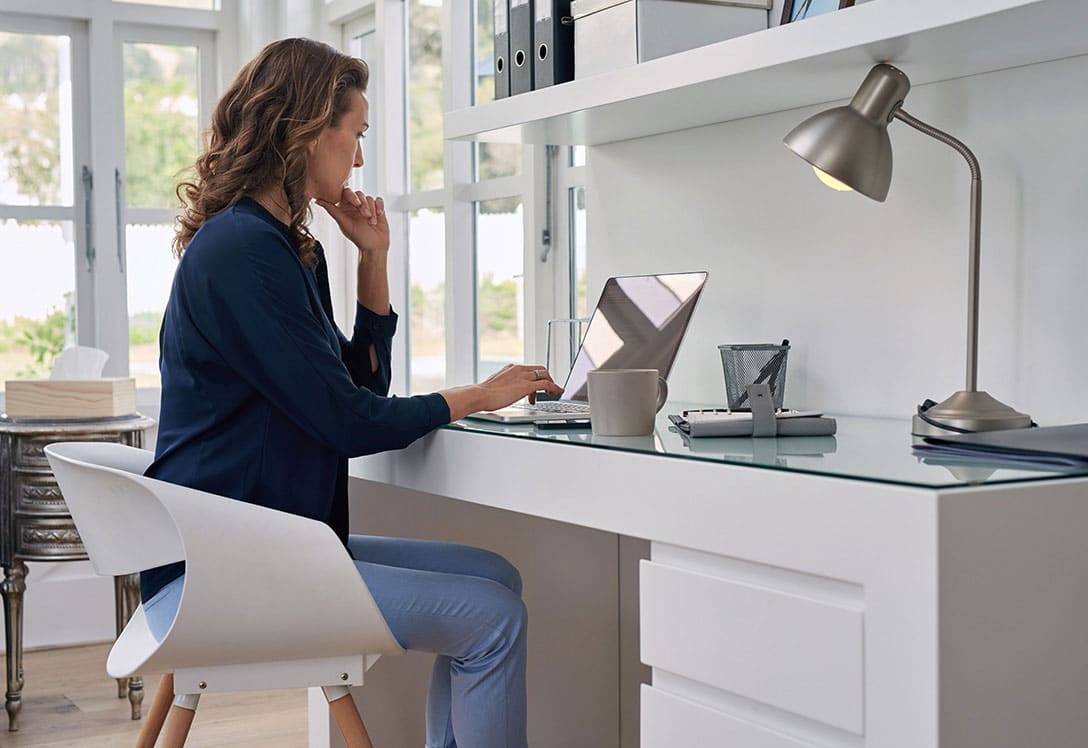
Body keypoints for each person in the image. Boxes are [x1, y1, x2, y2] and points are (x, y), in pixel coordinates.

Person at [139, 37, 561, 748]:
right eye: (356, 134)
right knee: (494, 619)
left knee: (499, 577)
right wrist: (478, 395)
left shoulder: (284, 248)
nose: (360, 158)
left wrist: (373, 259)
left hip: (272, 542)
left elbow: (357, 385)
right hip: (230, 571)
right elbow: (348, 421)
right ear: (306, 130)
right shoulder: (243, 251)